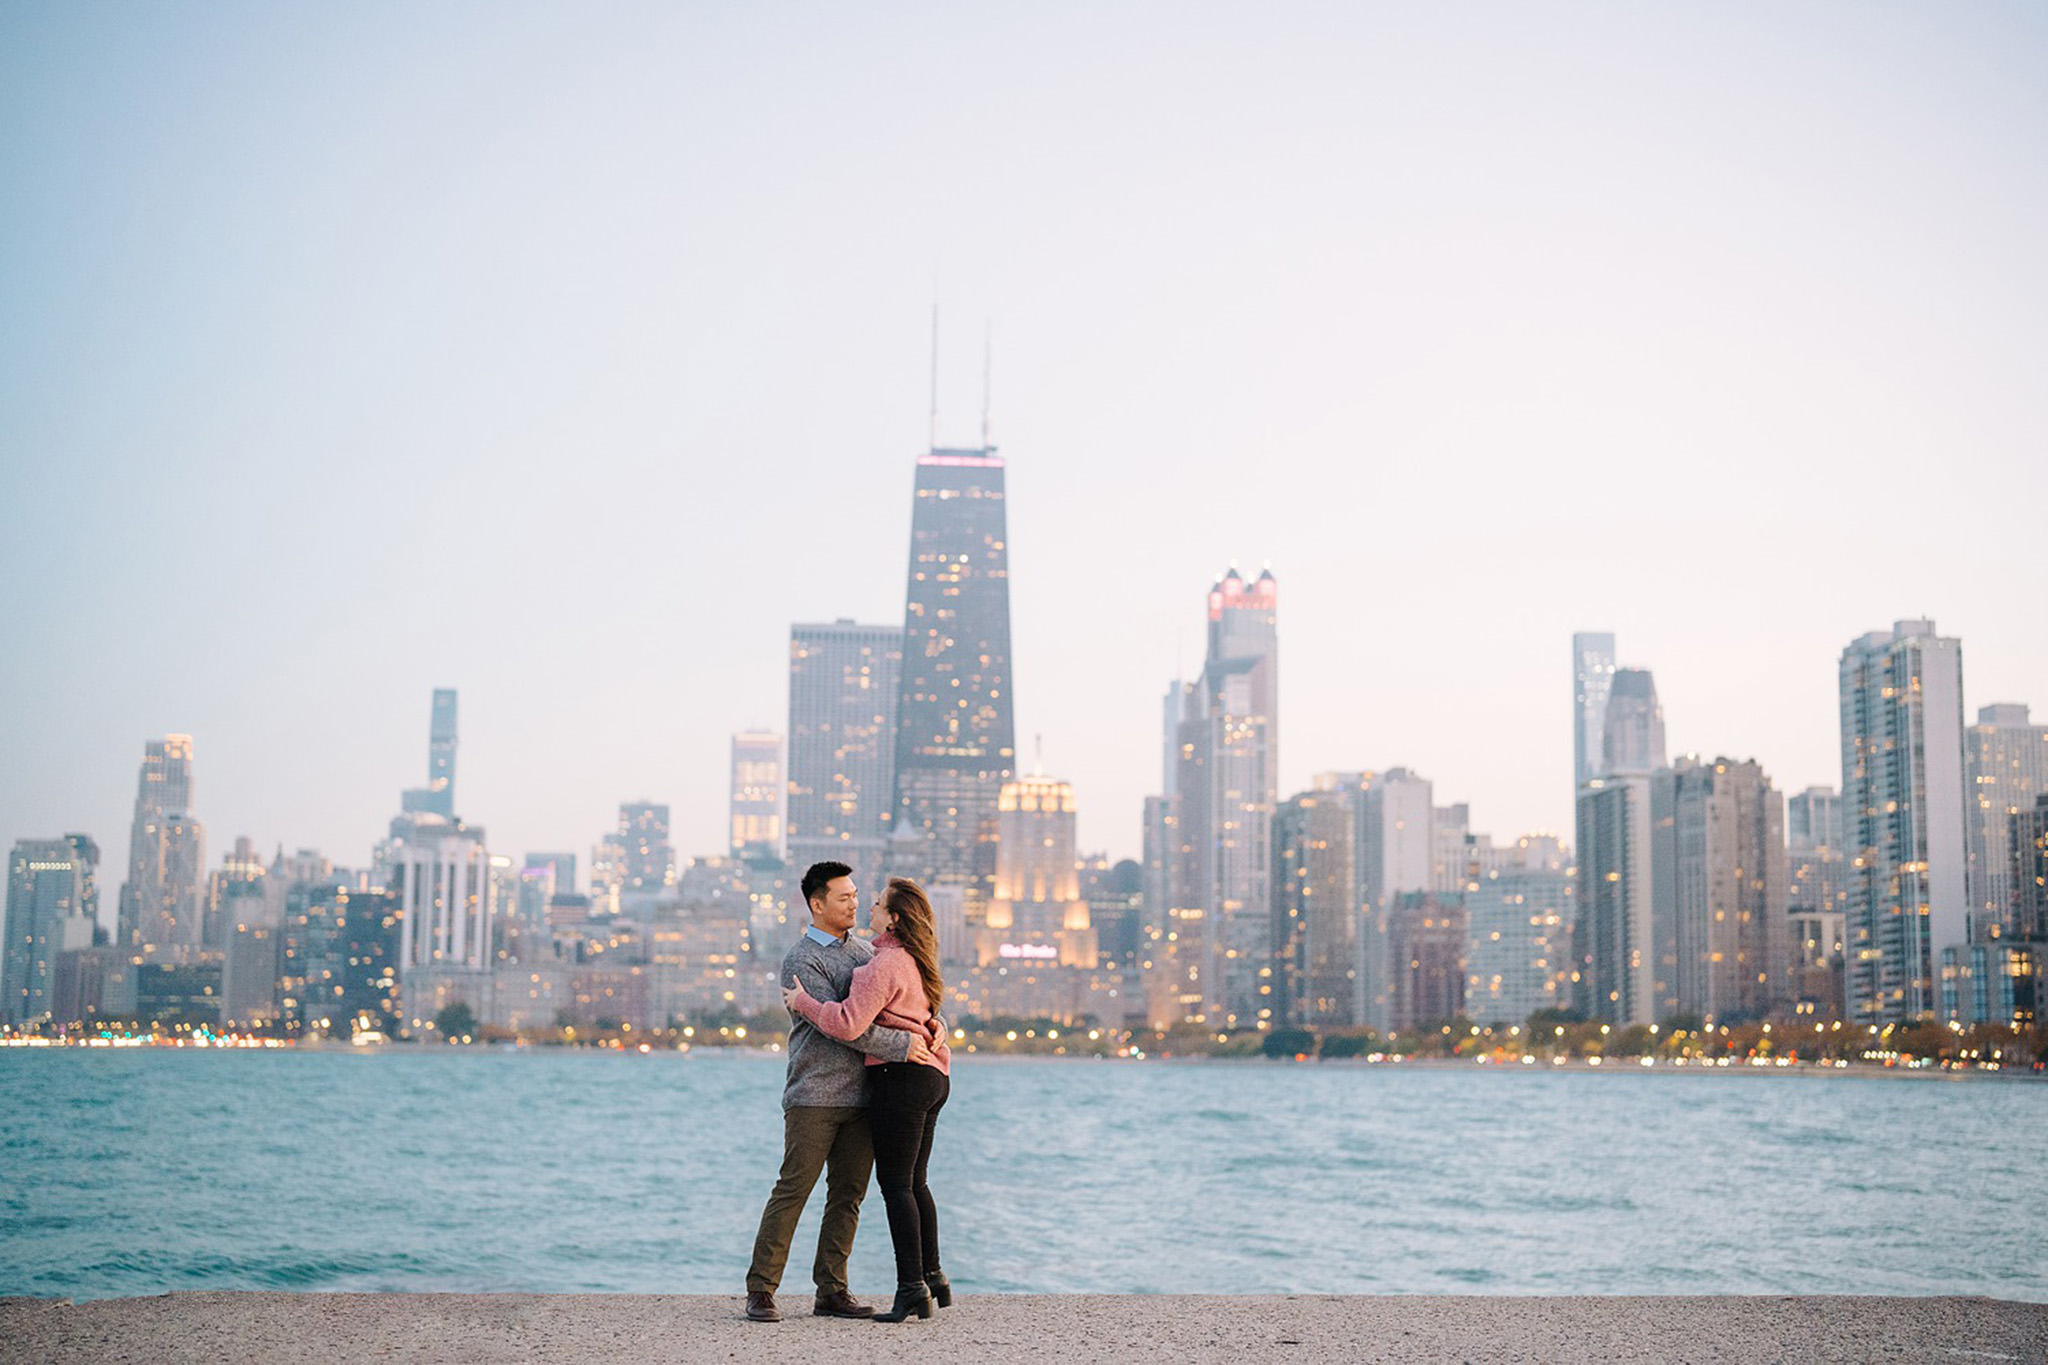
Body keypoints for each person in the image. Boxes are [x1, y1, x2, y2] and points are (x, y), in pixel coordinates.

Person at [744, 862, 937, 1323]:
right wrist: (904, 1045)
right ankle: (761, 1289)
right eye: (843, 897)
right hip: (814, 1094)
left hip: (865, 1095)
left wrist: (933, 1026)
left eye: (856, 896)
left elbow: (900, 1003)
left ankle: (831, 1289)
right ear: (816, 904)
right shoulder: (801, 959)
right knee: (793, 1190)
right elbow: (844, 1028)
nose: (854, 902)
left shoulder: (869, 952)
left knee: (848, 1195)